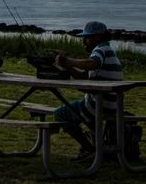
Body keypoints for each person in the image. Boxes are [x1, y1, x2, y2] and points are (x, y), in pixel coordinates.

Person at [51, 20, 124, 160]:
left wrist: (69, 61)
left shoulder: (100, 50)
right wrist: (67, 67)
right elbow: (84, 77)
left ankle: (89, 148)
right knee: (76, 107)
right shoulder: (109, 52)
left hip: (99, 105)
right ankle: (96, 146)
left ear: (97, 37)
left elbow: (93, 63)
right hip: (112, 105)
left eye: (87, 37)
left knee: (61, 114)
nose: (83, 41)